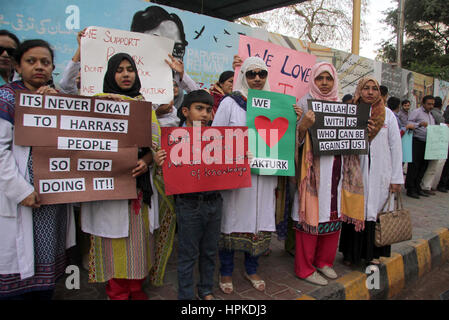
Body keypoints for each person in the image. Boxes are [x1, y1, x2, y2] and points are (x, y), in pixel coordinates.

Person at [212, 56, 300, 294]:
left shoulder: (278, 104)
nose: (257, 78)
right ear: (244, 76)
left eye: (262, 73)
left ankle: (252, 268)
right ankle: (226, 270)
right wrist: (238, 151)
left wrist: (295, 118)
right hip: (238, 176)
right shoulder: (231, 103)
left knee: (259, 220)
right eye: (251, 74)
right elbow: (214, 138)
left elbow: (286, 141)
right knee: (231, 220)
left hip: (265, 175)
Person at [80, 53, 161, 300]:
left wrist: (145, 162)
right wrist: (105, 107)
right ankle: (116, 292)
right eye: (119, 70)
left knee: (138, 242)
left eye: (130, 69)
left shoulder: (144, 105)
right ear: (110, 75)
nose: (126, 74)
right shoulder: (97, 102)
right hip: (110, 188)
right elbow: (84, 142)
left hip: (139, 188)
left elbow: (154, 144)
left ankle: (135, 289)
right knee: (112, 241)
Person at [0, 39, 75, 300]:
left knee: (46, 273)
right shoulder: (7, 98)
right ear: (18, 66)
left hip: (52, 198)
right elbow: (0, 153)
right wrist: (21, 191)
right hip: (22, 198)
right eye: (31, 61)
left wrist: (57, 107)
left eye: (45, 62)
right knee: (17, 270)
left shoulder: (57, 99)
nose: (39, 67)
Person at [291, 62, 364, 285]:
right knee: (311, 217)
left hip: (337, 170)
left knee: (333, 215)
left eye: (328, 79)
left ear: (334, 82)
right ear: (313, 80)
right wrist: (303, 125)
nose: (324, 83)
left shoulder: (341, 106)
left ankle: (324, 262)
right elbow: (293, 142)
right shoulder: (302, 104)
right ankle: (304, 267)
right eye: (320, 78)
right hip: (313, 175)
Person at [155, 90, 223, 300]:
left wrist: (242, 155)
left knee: (210, 251)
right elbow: (164, 175)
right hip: (189, 204)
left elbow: (229, 168)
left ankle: (205, 290)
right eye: (199, 109)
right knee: (188, 254)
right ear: (185, 111)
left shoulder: (220, 138)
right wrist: (159, 164)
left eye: (208, 110)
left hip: (214, 202)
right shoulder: (172, 138)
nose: (204, 114)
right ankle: (186, 296)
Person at [339, 77, 403, 266]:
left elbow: (395, 147)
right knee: (354, 210)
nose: (370, 92)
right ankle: (351, 254)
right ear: (359, 90)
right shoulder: (351, 112)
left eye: (374, 88)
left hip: (381, 174)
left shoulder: (388, 115)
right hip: (355, 174)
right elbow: (341, 140)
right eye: (365, 88)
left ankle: (374, 254)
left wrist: (396, 178)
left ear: (379, 92)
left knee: (375, 212)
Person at [405, 95, 436, 199]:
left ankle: (417, 187)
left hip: (427, 143)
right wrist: (419, 124)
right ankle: (410, 188)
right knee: (414, 165)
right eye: (429, 104)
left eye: (432, 104)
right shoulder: (417, 112)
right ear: (423, 103)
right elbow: (408, 123)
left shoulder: (431, 115)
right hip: (417, 141)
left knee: (423, 166)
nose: (431, 106)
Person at [421, 96, 447, 192]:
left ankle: (425, 185)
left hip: (431, 143)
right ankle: (426, 186)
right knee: (431, 166)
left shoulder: (431, 114)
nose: (430, 106)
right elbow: (442, 127)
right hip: (434, 144)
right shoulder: (437, 115)